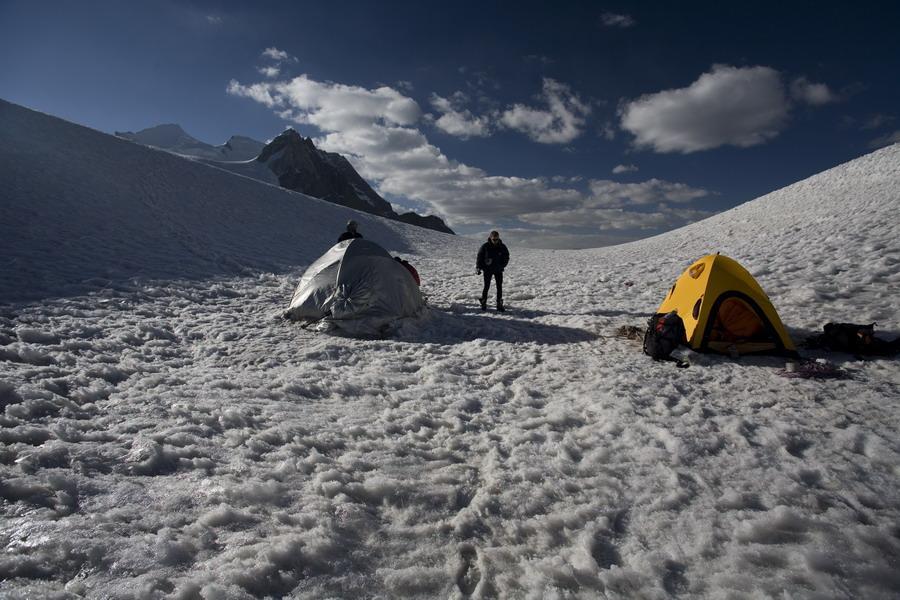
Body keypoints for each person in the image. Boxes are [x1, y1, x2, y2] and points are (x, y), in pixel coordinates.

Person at [476, 230, 509, 311]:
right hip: (488, 270)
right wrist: (478, 267)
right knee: (486, 286)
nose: (495, 241)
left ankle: (499, 304)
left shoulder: (502, 246)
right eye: (494, 239)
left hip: (498, 270)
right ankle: (484, 302)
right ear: (490, 238)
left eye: (497, 239)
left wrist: (502, 265)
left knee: (499, 287)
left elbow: (506, 257)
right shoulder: (485, 246)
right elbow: (479, 257)